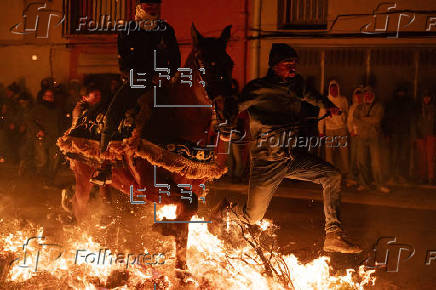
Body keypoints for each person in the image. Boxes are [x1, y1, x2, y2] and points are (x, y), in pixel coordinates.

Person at [212, 43, 362, 254]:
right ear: (274, 65)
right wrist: (225, 124)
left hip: (291, 156)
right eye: (287, 64)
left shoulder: (296, 84)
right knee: (253, 217)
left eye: (294, 64)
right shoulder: (258, 89)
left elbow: (311, 95)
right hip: (267, 160)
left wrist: (327, 105)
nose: (292, 68)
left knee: (332, 176)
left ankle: (333, 234)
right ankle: (225, 212)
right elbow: (232, 109)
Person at [90, 0, 181, 186]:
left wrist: (164, 75)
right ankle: (104, 163)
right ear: (140, 7)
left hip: (161, 82)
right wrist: (137, 77)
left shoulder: (166, 30)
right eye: (148, 5)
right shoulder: (129, 29)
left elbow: (175, 58)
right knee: (113, 111)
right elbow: (123, 59)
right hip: (136, 82)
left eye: (155, 5)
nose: (153, 8)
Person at [354, 86, 390, 193]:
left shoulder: (379, 106)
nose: (367, 95)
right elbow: (355, 120)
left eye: (369, 93)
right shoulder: (359, 107)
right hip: (362, 137)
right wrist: (369, 121)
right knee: (361, 161)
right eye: (365, 93)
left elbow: (377, 120)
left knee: (376, 162)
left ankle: (380, 184)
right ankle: (364, 184)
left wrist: (363, 120)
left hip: (374, 138)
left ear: (373, 94)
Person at [318, 80, 352, 185]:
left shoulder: (343, 100)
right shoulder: (326, 100)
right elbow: (321, 117)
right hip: (329, 130)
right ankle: (330, 175)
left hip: (341, 129)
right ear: (329, 89)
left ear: (338, 88)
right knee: (329, 154)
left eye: (335, 88)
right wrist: (321, 131)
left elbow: (347, 114)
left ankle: (346, 175)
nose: (333, 90)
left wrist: (340, 115)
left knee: (344, 152)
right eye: (332, 88)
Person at [384, 86, 416, 184]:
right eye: (399, 92)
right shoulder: (391, 104)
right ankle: (393, 176)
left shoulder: (409, 104)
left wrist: (412, 134)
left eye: (402, 92)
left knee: (403, 156)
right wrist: (387, 133)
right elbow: (387, 120)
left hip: (405, 134)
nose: (401, 94)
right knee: (393, 156)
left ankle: (401, 176)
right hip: (394, 134)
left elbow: (412, 120)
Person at [31, 88, 63, 186]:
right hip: (42, 138)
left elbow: (61, 123)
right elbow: (29, 120)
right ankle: (39, 177)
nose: (49, 98)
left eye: (51, 96)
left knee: (55, 159)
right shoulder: (37, 109)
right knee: (43, 160)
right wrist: (38, 130)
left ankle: (49, 180)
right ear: (43, 97)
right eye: (47, 96)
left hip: (55, 138)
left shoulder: (57, 109)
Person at [415, 89, 436, 184]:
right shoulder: (418, 109)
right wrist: (416, 133)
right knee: (421, 157)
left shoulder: (434, 109)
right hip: (421, 135)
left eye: (428, 97)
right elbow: (415, 122)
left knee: (430, 157)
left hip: (431, 135)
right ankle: (422, 176)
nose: (426, 99)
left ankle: (431, 177)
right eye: (425, 97)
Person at [347, 86, 364, 185]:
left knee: (361, 158)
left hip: (362, 136)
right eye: (357, 96)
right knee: (353, 157)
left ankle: (362, 179)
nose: (359, 98)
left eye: (360, 95)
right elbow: (349, 121)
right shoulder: (352, 107)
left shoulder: (365, 107)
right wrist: (351, 131)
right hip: (354, 136)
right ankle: (352, 178)